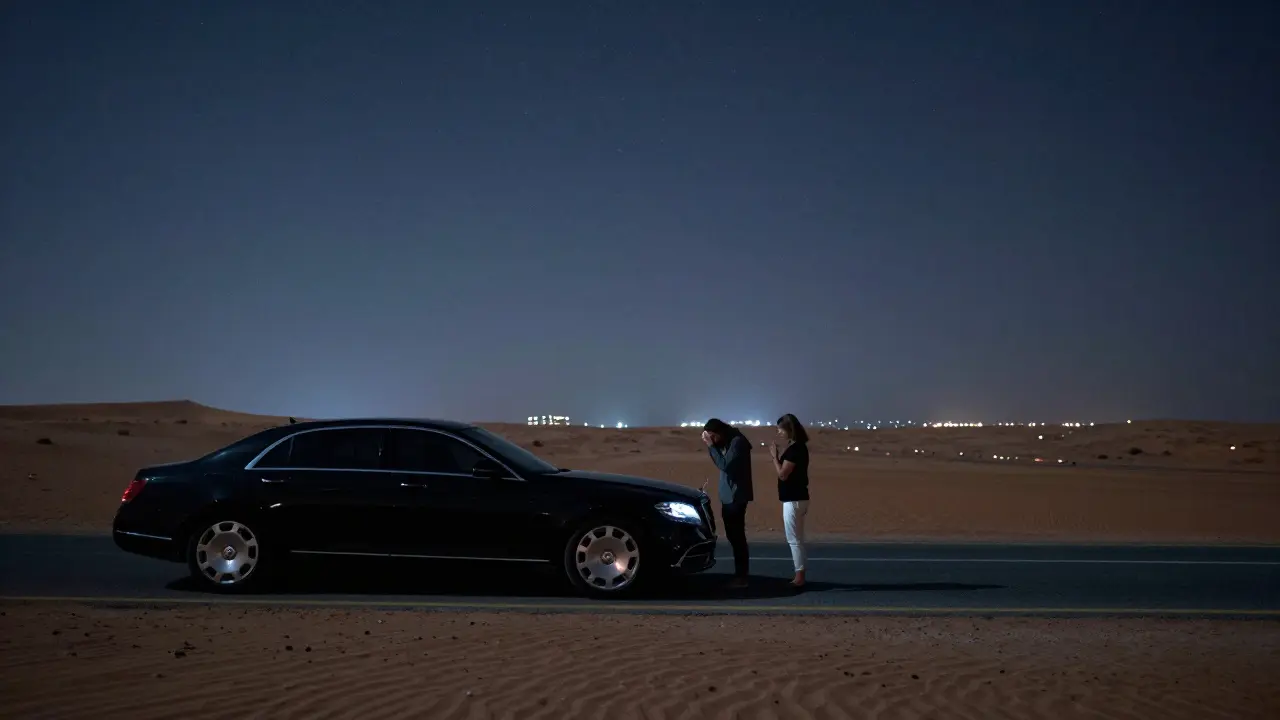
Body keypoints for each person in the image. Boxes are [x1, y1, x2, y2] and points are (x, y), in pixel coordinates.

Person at [701, 418, 753, 588]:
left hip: (736, 497)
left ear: (720, 432)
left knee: (737, 538)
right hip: (729, 496)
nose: (713, 440)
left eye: (713, 436)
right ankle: (740, 575)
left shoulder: (737, 442)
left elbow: (724, 465)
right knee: (733, 537)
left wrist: (710, 446)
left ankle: (742, 577)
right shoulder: (728, 441)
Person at [769, 413, 810, 588]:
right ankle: (799, 574)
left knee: (794, 540)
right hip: (798, 498)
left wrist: (774, 457)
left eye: (780, 429)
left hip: (793, 500)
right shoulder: (797, 447)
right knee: (797, 539)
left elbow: (783, 474)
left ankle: (799, 577)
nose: (779, 432)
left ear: (788, 429)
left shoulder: (795, 450)